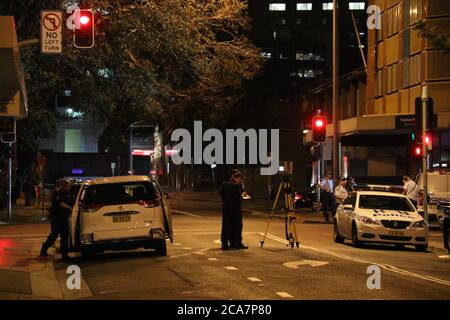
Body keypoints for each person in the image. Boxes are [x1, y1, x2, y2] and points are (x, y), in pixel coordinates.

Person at [40, 179, 75, 261]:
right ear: (64, 186)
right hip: (56, 217)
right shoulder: (57, 193)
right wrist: (69, 208)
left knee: (65, 236)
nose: (69, 187)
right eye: (68, 186)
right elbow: (59, 203)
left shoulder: (69, 193)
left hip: (64, 217)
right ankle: (44, 249)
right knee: (54, 234)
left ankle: (65, 255)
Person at [220, 170, 248, 250]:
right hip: (234, 209)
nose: (241, 181)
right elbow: (238, 197)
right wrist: (243, 196)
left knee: (226, 225)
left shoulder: (225, 183)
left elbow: (221, 194)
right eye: (240, 179)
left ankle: (225, 243)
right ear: (237, 178)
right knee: (237, 226)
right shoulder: (234, 185)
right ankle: (236, 242)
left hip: (226, 208)